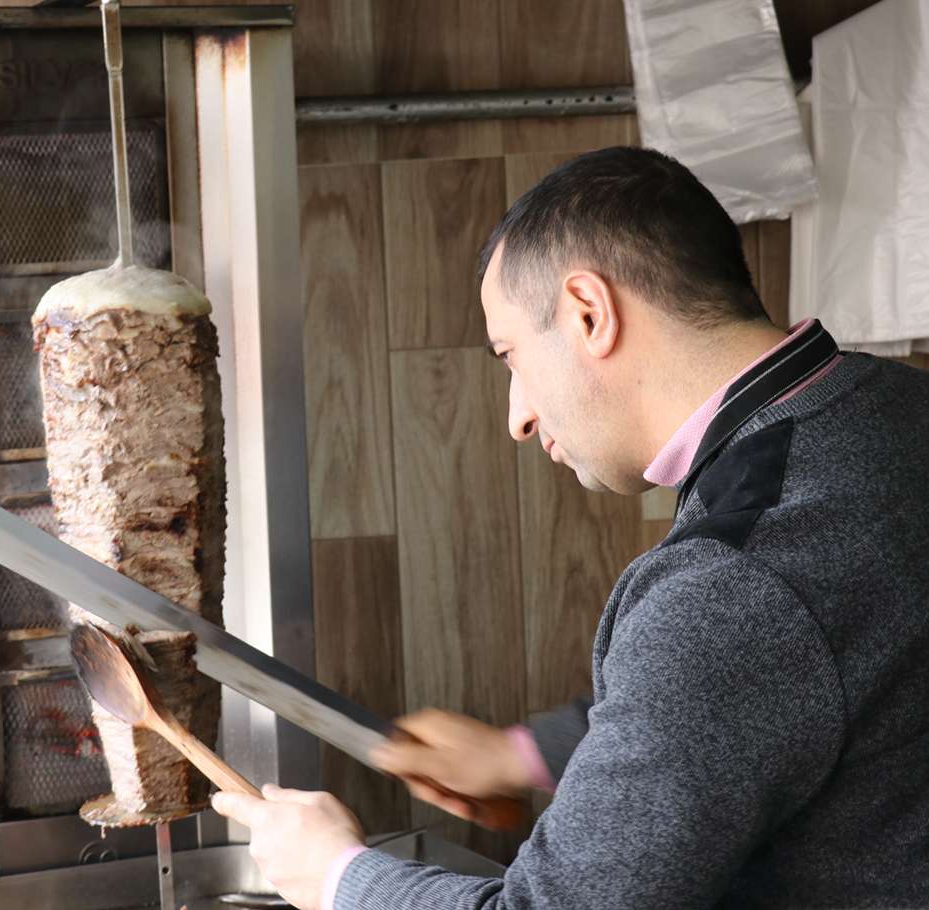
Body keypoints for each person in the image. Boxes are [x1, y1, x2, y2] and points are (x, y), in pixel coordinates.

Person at [212, 146, 929, 909]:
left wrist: (336, 876)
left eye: (511, 356)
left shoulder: (736, 585)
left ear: (590, 312)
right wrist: (519, 754)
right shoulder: (895, 405)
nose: (518, 417)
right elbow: (764, 699)